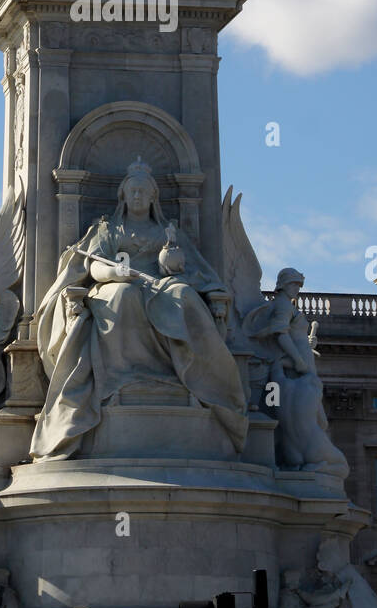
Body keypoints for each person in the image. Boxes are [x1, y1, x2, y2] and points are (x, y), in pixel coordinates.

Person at [31, 160, 247, 460]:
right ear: (123, 195)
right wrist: (115, 274)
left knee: (184, 295)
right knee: (123, 296)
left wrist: (171, 260)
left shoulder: (166, 230)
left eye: (142, 192)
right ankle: (121, 378)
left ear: (152, 197)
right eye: (132, 191)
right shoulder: (108, 229)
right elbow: (93, 264)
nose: (136, 196)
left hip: (161, 286)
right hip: (115, 284)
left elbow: (187, 269)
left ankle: (193, 378)